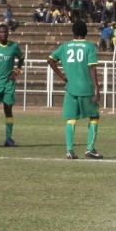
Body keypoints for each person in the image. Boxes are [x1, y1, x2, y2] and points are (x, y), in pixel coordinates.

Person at [48, 20, 102, 160]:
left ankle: (69, 150)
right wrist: (96, 87)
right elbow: (91, 67)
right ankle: (90, 149)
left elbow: (50, 60)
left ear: (73, 32)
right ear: (86, 32)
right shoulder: (89, 46)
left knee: (71, 119)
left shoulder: (65, 46)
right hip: (86, 88)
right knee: (94, 116)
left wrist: (61, 76)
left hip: (70, 88)